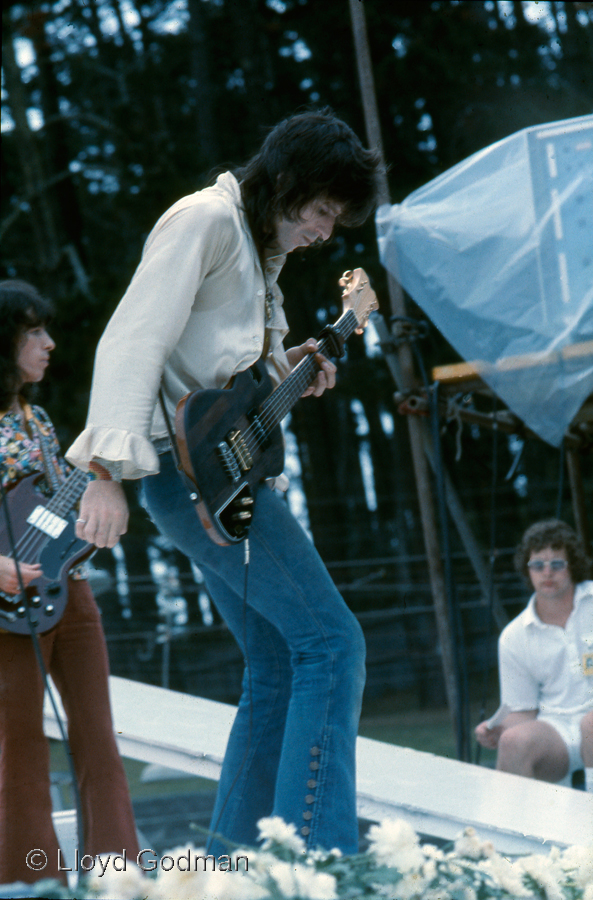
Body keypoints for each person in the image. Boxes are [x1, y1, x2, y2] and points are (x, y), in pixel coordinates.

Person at [66, 108, 381, 854]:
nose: (323, 233)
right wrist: (104, 472)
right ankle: (316, 861)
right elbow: (132, 337)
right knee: (332, 646)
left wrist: (289, 366)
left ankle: (235, 867)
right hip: (181, 484)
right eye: (320, 211)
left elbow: (214, 382)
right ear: (288, 184)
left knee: (276, 661)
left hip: (217, 484)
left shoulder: (257, 258)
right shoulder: (205, 221)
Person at [0, 280, 139, 887]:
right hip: (7, 608)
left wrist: (105, 485)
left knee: (99, 741)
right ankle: (29, 883)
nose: (49, 343)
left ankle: (117, 876)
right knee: (20, 750)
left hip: (71, 592)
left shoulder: (40, 418)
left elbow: (59, 514)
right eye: (33, 331)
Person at [475, 519, 593, 792]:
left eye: (557, 564)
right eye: (538, 565)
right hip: (558, 728)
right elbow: (522, 711)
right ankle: (512, 833)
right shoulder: (514, 636)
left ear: (572, 565)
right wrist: (499, 728)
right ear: (528, 571)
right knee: (514, 741)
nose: (547, 573)